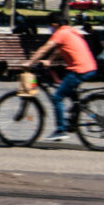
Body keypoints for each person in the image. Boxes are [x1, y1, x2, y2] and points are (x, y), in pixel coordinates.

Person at [26, 11, 97, 141]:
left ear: (54, 24)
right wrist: (50, 60)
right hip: (89, 67)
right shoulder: (70, 31)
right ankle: (74, 115)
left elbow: (44, 48)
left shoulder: (61, 33)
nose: (49, 28)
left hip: (79, 69)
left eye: (50, 25)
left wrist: (29, 62)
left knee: (57, 97)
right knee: (67, 88)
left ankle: (61, 130)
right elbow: (60, 49)